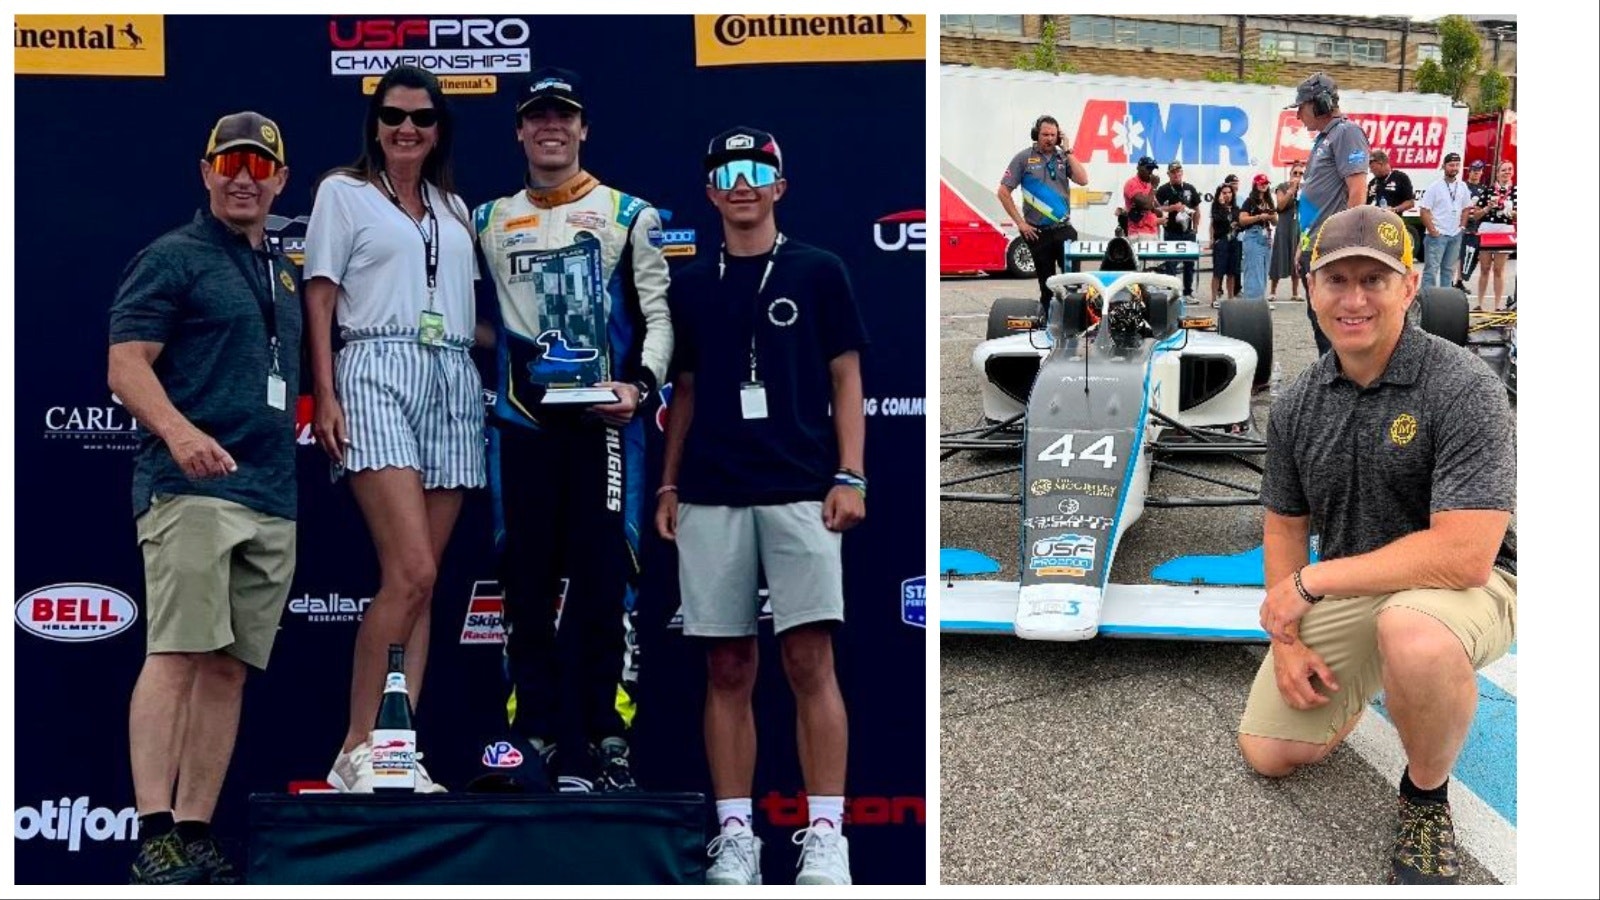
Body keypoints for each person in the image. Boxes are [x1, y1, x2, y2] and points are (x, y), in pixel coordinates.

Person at [1239, 205, 1516, 886]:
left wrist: (1310, 586)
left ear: (1410, 285)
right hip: (1361, 586)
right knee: (1267, 751)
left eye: (1375, 279)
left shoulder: (1463, 386)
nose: (1354, 298)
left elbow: (1465, 555)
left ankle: (1425, 797)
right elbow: (1284, 524)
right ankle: (1372, 676)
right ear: (1310, 287)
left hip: (1466, 588)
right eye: (1337, 280)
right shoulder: (1301, 399)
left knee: (1413, 634)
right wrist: (1288, 641)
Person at [656, 125, 868, 886]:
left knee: (810, 660)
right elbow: (682, 391)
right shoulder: (688, 283)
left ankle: (826, 836)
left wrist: (852, 474)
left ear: (780, 184)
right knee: (727, 665)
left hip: (802, 490)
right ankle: (737, 836)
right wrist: (670, 483)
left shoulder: (820, 270)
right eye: (726, 171)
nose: (741, 183)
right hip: (712, 492)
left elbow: (847, 379)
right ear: (710, 190)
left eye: (757, 170)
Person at [109, 111, 301, 884]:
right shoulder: (173, 257)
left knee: (227, 668)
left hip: (272, 493)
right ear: (206, 171)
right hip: (190, 490)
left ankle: (193, 834)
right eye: (231, 164)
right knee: (179, 652)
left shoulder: (281, 270)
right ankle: (153, 830)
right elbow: (126, 366)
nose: (244, 179)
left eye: (260, 167)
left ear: (281, 180)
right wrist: (180, 434)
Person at [475, 67, 671, 792]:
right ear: (521, 130)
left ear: (582, 128)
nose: (550, 127)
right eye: (537, 117)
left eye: (564, 116)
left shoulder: (629, 214)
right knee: (522, 586)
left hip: (604, 425)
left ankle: (607, 738)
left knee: (603, 582)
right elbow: (469, 315)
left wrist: (639, 385)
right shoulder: (487, 220)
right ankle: (535, 739)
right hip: (520, 426)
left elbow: (658, 316)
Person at [304, 65, 485, 793]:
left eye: (422, 118)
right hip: (375, 366)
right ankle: (355, 747)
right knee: (408, 570)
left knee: (422, 583)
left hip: (452, 377)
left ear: (441, 129)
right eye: (393, 116)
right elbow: (319, 300)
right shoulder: (341, 193)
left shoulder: (455, 207)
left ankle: (396, 749)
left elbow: (470, 318)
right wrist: (324, 393)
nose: (407, 128)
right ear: (374, 125)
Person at [1288, 71, 1370, 355]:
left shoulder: (1346, 133)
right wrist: (1303, 243)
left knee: (1332, 327)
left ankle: (1344, 386)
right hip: (1315, 246)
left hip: (1331, 248)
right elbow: (1317, 201)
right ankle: (1333, 379)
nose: (1298, 115)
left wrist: (1345, 245)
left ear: (1319, 103)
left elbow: (1358, 193)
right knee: (1319, 322)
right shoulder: (1325, 138)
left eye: (1301, 106)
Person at [997, 114, 1088, 309]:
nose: (1049, 138)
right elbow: (1003, 192)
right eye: (1045, 134)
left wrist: (1068, 150)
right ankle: (1049, 326)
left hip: (1064, 230)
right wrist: (1021, 223)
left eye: (1053, 135)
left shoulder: (1064, 157)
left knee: (1073, 284)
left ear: (1059, 136)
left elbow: (1083, 179)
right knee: (1047, 287)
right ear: (1036, 135)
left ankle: (1075, 325)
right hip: (1038, 233)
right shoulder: (1023, 158)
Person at [1417, 152, 1473, 290]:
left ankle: (1445, 301)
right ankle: (1427, 300)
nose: (1454, 168)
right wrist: (1433, 231)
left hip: (1455, 234)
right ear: (1444, 166)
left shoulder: (1462, 186)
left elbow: (1466, 208)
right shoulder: (1435, 187)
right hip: (1438, 235)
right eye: (1451, 165)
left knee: (1448, 270)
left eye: (1457, 165)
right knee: (1431, 271)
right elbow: (1424, 211)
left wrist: (1462, 227)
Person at [1471, 161, 1516, 310]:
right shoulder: (1488, 190)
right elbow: (1475, 215)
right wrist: (1487, 208)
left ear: (1513, 172)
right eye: (1503, 170)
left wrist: (1511, 212)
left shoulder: (1517, 191)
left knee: (1499, 270)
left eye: (1509, 169)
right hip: (1487, 229)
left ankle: (1497, 306)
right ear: (1497, 173)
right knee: (1484, 268)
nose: (1506, 172)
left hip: (1505, 230)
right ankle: (1480, 304)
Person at [1155, 161, 1201, 299]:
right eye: (1173, 172)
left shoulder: (1189, 188)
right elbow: (1156, 209)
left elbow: (1197, 209)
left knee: (1189, 263)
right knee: (1171, 263)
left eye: (1178, 171)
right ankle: (1171, 292)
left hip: (1188, 232)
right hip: (1172, 232)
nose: (1176, 174)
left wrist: (1196, 228)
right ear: (1168, 174)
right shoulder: (1163, 190)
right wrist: (1171, 208)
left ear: (1182, 172)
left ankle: (1188, 292)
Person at [1238, 174, 1278, 304]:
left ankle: (1260, 301)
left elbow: (1276, 221)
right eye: (1261, 183)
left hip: (1266, 237)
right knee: (1253, 270)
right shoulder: (1249, 201)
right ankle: (1251, 302)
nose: (1264, 185)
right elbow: (1242, 220)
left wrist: (1271, 217)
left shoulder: (1269, 201)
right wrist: (1259, 217)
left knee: (1264, 271)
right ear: (1255, 184)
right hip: (1253, 235)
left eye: (1266, 183)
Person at [1269, 163, 1305, 301]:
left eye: (1300, 173)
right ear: (1290, 173)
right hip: (1284, 225)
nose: (1297, 176)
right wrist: (1291, 190)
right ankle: (1273, 291)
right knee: (1279, 255)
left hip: (1297, 226)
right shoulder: (1282, 187)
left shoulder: (1304, 189)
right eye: (1295, 173)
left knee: (1296, 258)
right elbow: (1280, 206)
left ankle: (1295, 292)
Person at [1208, 182, 1241, 308]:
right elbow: (1217, 220)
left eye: (1229, 192)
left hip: (1234, 241)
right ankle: (1214, 298)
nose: (1227, 195)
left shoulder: (1236, 209)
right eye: (1224, 193)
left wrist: (1237, 224)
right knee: (1218, 271)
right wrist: (1221, 205)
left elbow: (1240, 223)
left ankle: (1231, 297)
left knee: (1232, 272)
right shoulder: (1216, 208)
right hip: (1221, 241)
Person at [1117, 155, 1159, 237]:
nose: (1150, 172)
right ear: (1139, 168)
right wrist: (1154, 188)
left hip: (1152, 230)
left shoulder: (1149, 185)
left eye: (1152, 169)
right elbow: (1146, 205)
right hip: (1138, 232)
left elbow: (1154, 208)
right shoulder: (1132, 183)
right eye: (1148, 168)